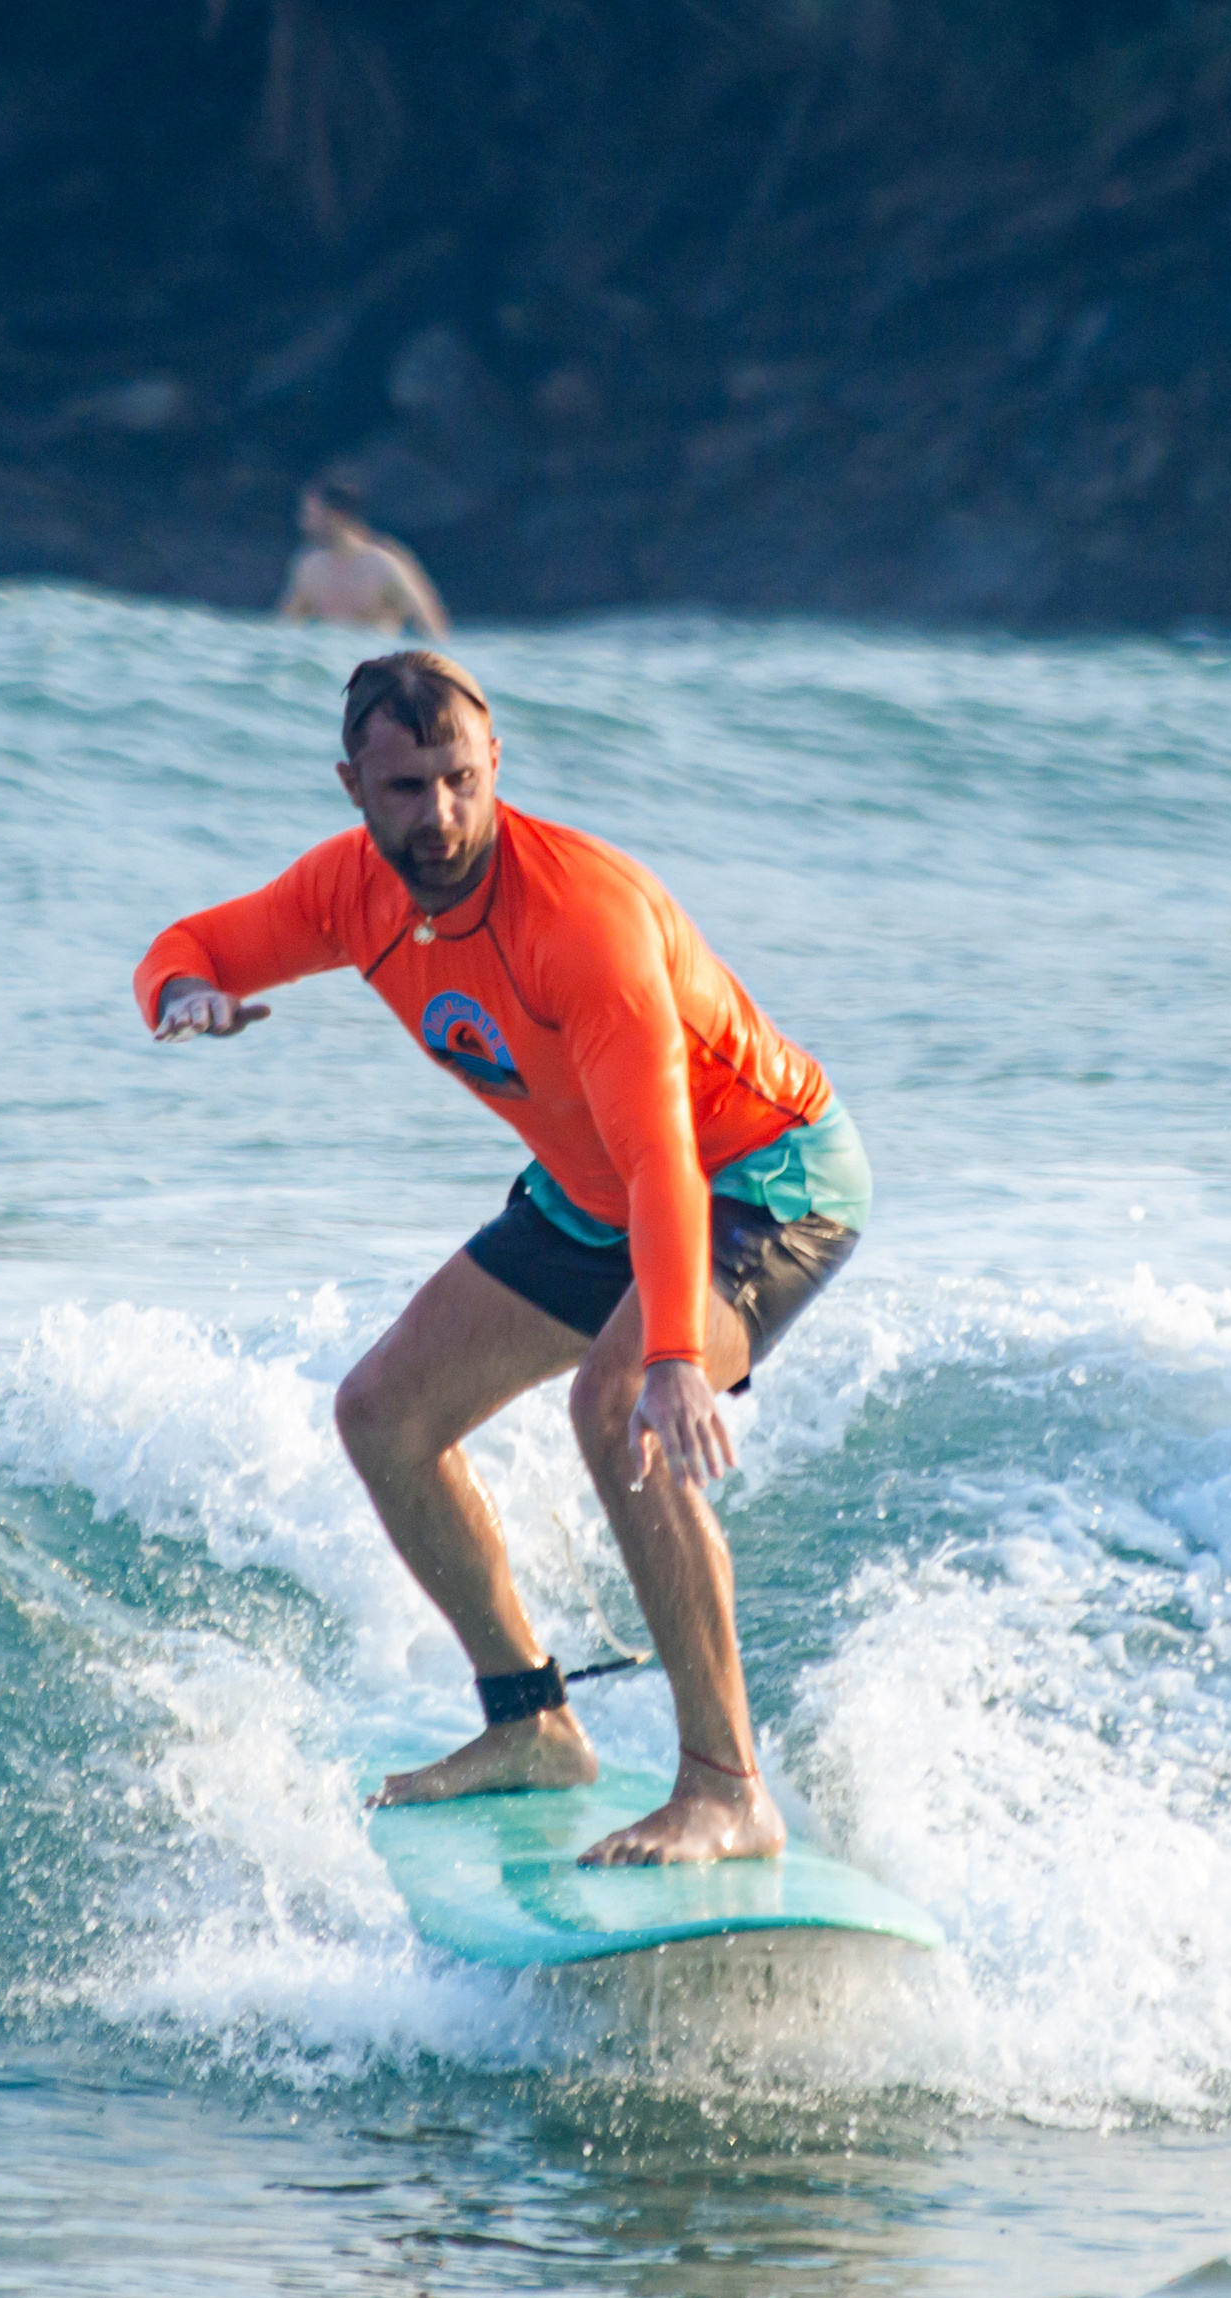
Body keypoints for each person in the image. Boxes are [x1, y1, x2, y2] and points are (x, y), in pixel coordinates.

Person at [132, 651, 871, 1867]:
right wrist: (182, 993)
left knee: (614, 1398)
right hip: (590, 1193)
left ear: (496, 767)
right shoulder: (349, 892)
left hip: (758, 1178)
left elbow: (665, 1164)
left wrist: (675, 1355)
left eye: (462, 781)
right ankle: (531, 1724)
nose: (440, 816)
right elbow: (193, 941)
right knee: (382, 1413)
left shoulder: (579, 921)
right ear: (353, 788)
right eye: (407, 788)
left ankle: (728, 1787)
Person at [276, 475, 450, 636]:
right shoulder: (310, 567)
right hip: (330, 662)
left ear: (335, 514)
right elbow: (284, 631)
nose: (303, 523)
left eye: (310, 515)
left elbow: (433, 629)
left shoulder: (384, 565)